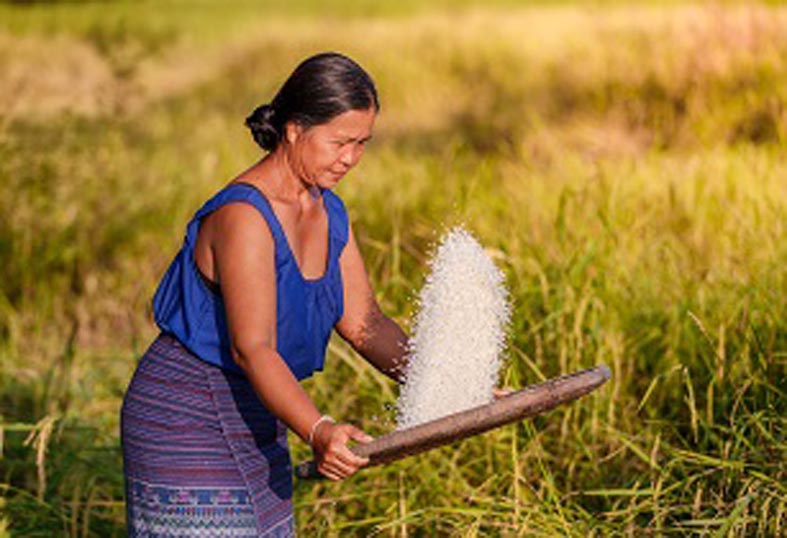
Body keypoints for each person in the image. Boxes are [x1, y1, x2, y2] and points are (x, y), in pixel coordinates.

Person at [121, 51, 409, 537]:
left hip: (260, 412)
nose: (351, 158)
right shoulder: (245, 217)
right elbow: (252, 348)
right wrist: (318, 429)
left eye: (363, 143)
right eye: (340, 142)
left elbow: (366, 325)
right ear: (294, 129)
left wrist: (453, 386)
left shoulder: (329, 211)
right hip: (185, 416)